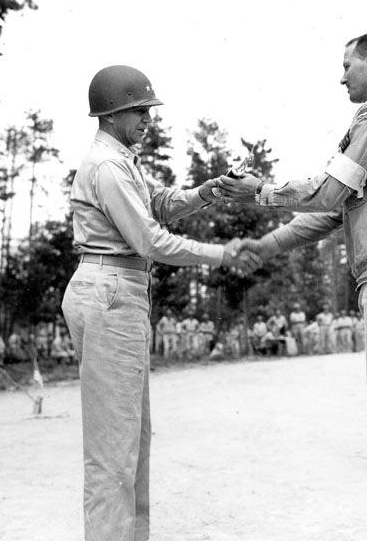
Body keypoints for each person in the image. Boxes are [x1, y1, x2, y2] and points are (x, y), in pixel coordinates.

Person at [217, 32, 367, 540]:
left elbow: (328, 190)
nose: (341, 75)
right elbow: (336, 206)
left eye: (347, 64)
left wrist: (259, 192)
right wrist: (266, 246)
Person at [60, 64, 260, 541]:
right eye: (139, 110)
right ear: (111, 115)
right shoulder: (108, 166)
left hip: (120, 292)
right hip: (111, 291)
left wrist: (207, 192)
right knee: (113, 452)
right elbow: (150, 240)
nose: (149, 118)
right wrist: (221, 254)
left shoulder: (121, 158)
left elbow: (160, 203)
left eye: (148, 109)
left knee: (132, 440)